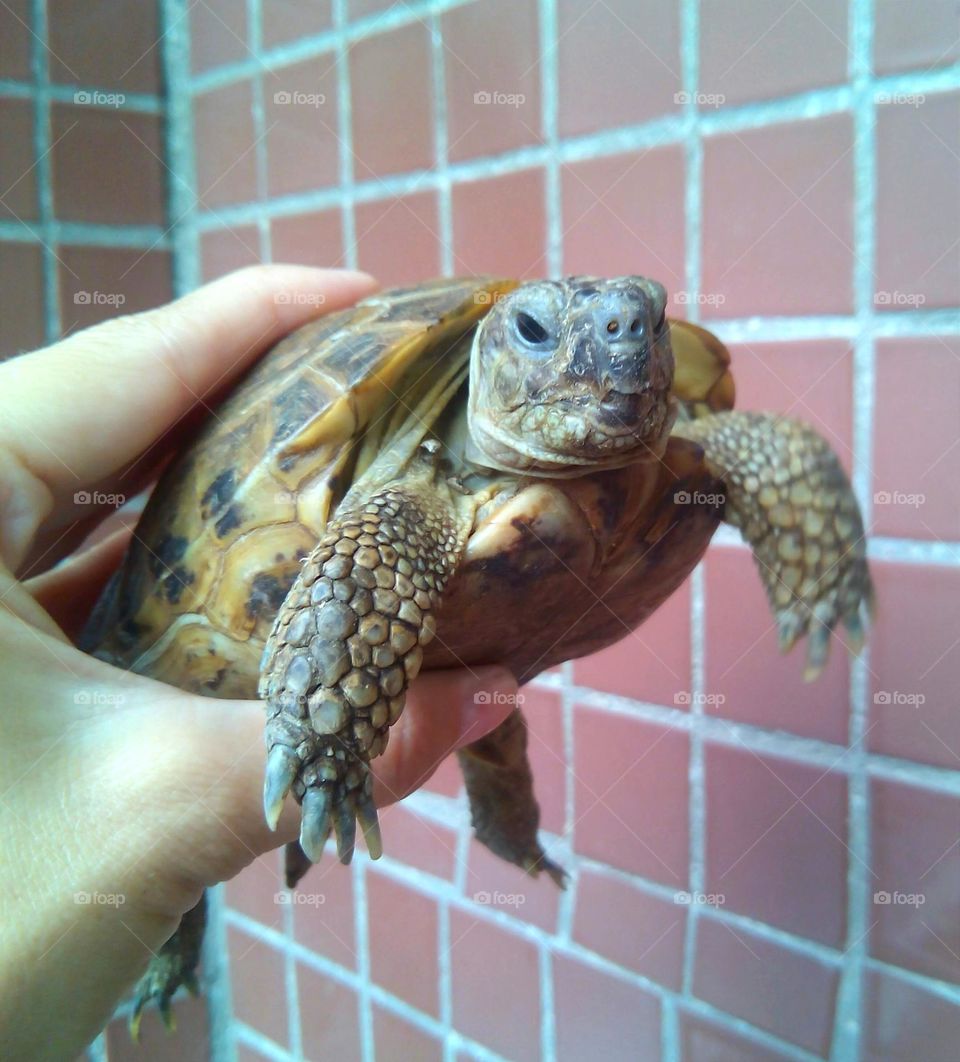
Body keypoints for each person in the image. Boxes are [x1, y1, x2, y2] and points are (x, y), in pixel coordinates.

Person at [0, 265, 517, 1060]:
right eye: (536, 333)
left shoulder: (664, 426)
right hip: (249, 591)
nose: (618, 348)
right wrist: (329, 750)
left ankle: (502, 811)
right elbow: (369, 556)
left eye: (645, 328)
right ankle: (173, 931)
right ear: (496, 353)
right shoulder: (401, 491)